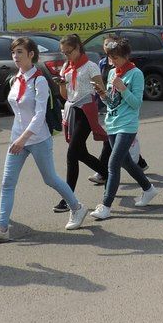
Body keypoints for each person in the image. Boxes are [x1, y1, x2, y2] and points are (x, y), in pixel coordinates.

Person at [0, 37, 89, 242]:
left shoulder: (39, 80)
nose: (15, 56)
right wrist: (17, 138)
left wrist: (23, 139)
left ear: (31, 54)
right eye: (13, 52)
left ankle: (77, 208)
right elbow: (17, 110)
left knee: (50, 178)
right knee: (7, 182)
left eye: (19, 52)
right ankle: (2, 228)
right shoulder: (15, 78)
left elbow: (38, 115)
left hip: (37, 138)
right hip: (17, 138)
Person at [88, 36, 158, 220]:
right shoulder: (112, 73)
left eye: (116, 58)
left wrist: (123, 88)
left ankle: (105, 206)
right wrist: (102, 94)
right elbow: (112, 103)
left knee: (113, 163)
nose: (112, 61)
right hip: (112, 123)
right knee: (126, 162)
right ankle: (148, 189)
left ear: (126, 56)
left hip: (127, 125)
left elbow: (136, 104)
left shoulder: (136, 74)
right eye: (110, 58)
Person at [57, 34, 110, 204]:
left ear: (78, 48)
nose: (66, 56)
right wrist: (61, 83)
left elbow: (101, 91)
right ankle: (109, 175)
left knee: (72, 154)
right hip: (72, 111)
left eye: (68, 52)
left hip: (86, 110)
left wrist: (99, 88)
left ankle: (68, 198)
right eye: (63, 53)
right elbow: (65, 96)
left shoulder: (90, 66)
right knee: (81, 153)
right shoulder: (67, 66)